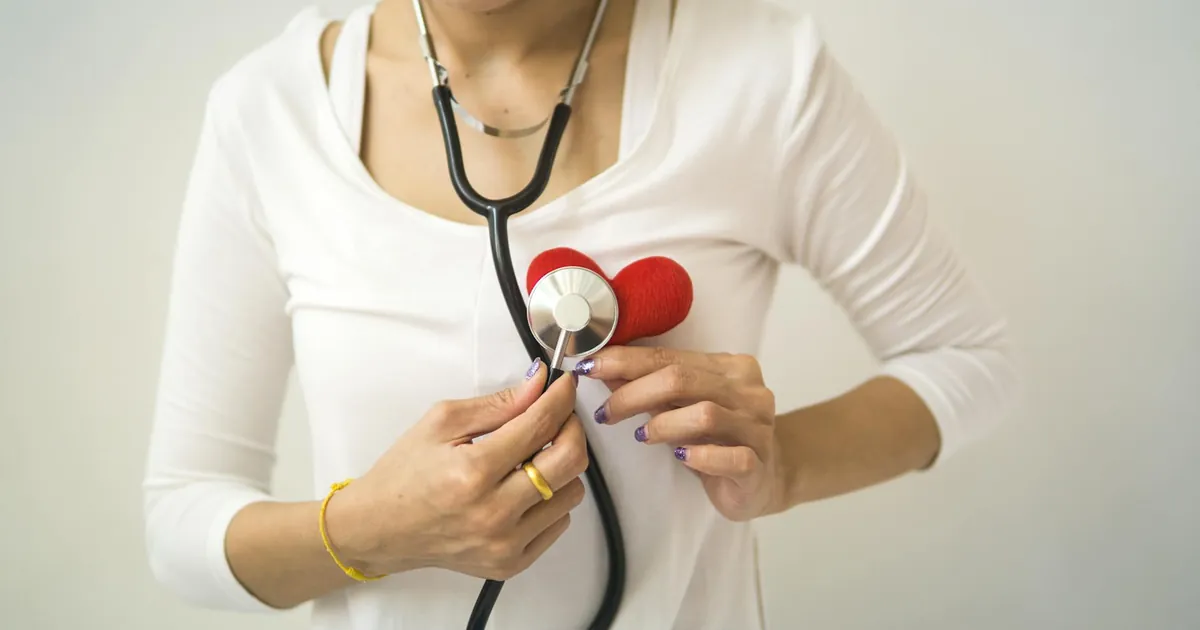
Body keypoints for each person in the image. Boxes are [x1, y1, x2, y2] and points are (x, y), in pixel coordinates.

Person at [142, 0, 1018, 628]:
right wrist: (373, 529)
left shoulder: (763, 74)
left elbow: (967, 360)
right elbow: (180, 521)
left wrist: (779, 464)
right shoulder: (270, 112)